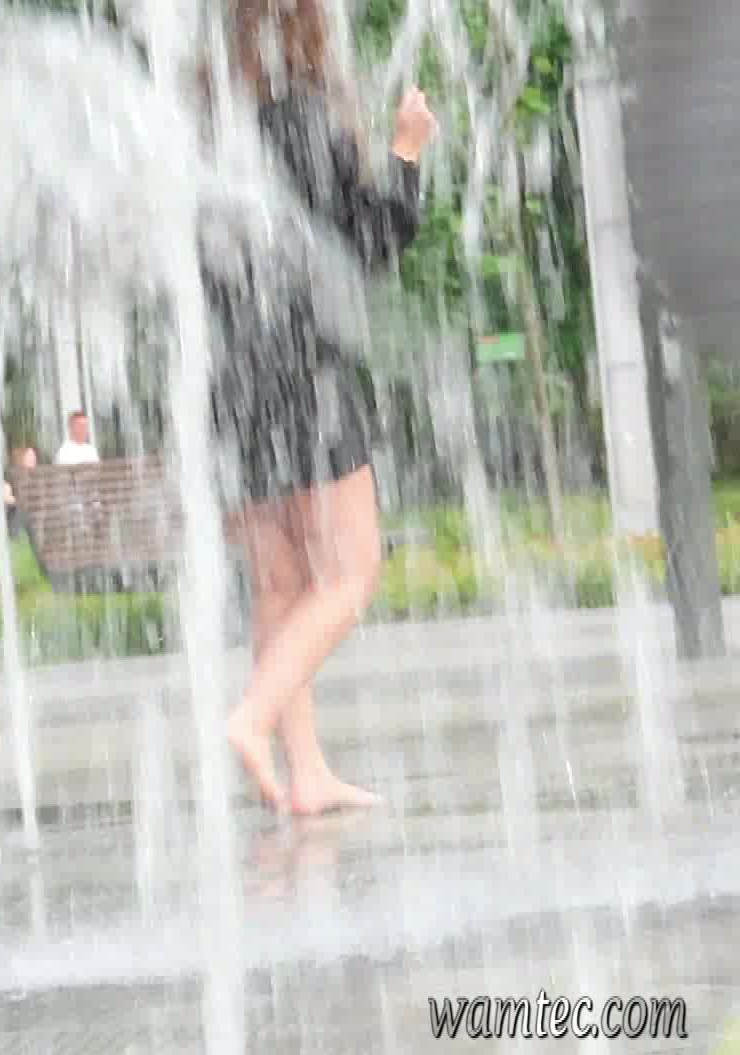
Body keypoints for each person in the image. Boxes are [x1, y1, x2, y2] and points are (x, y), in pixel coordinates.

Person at [209, 0, 437, 814]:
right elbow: (364, 248)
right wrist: (406, 153)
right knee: (349, 572)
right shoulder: (305, 119)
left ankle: (304, 772)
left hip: (225, 380)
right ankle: (252, 716)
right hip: (304, 370)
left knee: (282, 582)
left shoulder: (206, 131)